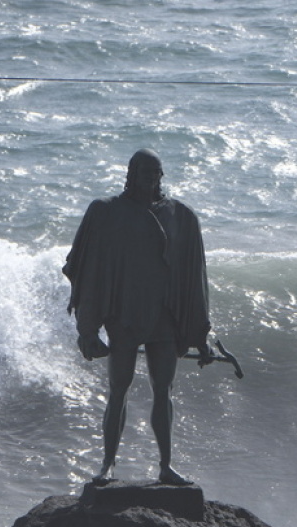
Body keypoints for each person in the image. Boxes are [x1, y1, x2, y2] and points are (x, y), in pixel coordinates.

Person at [63, 149, 211, 486]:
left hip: (163, 319)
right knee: (118, 389)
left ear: (162, 175)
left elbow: (195, 278)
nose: (150, 177)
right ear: (130, 172)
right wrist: (88, 329)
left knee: (164, 390)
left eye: (156, 171)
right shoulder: (106, 212)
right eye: (143, 170)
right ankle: (108, 464)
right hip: (124, 318)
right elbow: (87, 269)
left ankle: (166, 466)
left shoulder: (181, 215)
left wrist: (198, 333)